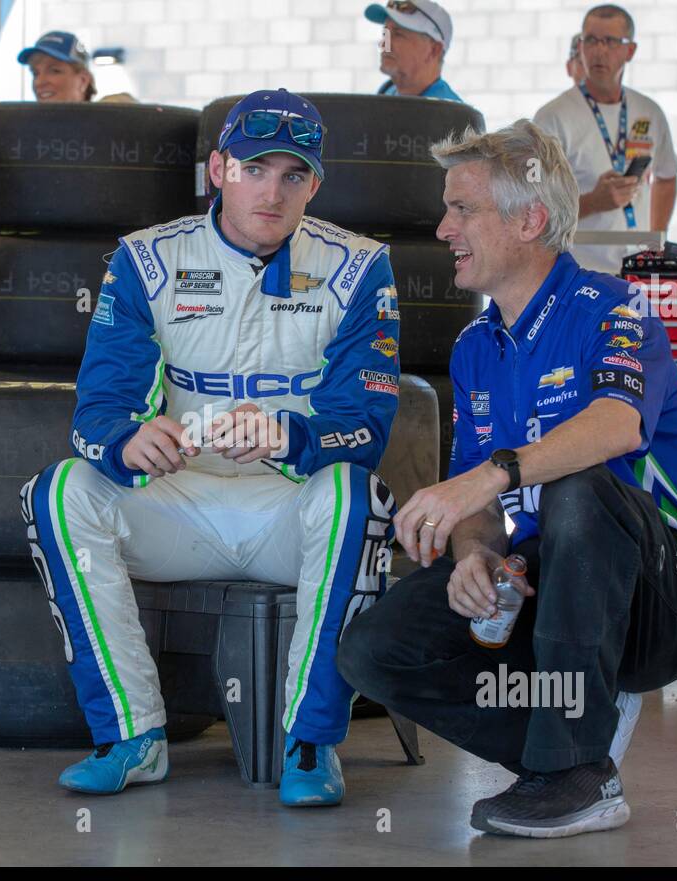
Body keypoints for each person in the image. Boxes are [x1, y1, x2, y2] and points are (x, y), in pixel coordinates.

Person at [337, 119, 677, 838]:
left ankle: (572, 768)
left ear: (530, 218)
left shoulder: (617, 307)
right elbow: (476, 507)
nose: (443, 226)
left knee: (580, 486)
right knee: (372, 650)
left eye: (463, 208)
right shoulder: (473, 347)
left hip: (666, 597)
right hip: (555, 583)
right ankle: (574, 755)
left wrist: (488, 480)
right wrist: (474, 556)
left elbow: (618, 427)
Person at [22, 89, 401, 807]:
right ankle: (132, 736)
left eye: (295, 175)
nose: (273, 190)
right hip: (182, 501)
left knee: (358, 497)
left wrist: (289, 434)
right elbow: (97, 409)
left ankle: (310, 742)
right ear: (219, 169)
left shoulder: (358, 268)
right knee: (60, 491)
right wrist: (128, 440)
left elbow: (366, 426)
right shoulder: (147, 260)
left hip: (290, 505)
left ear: (315, 185)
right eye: (256, 169)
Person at [533, 4, 677, 275]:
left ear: (630, 50)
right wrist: (593, 202)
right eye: (590, 40)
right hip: (579, 273)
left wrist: (656, 240)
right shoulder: (552, 117)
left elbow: (667, 176)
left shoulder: (649, 111)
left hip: (640, 272)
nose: (599, 51)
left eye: (610, 41)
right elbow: (532, 205)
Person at [364, 0, 464, 101]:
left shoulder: (453, 114)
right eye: (385, 34)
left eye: (398, 34)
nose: (384, 44)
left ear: (434, 50)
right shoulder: (387, 91)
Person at [18, 31, 97, 103]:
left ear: (83, 81)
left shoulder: (104, 118)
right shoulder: (22, 118)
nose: (39, 82)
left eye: (54, 71)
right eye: (35, 73)